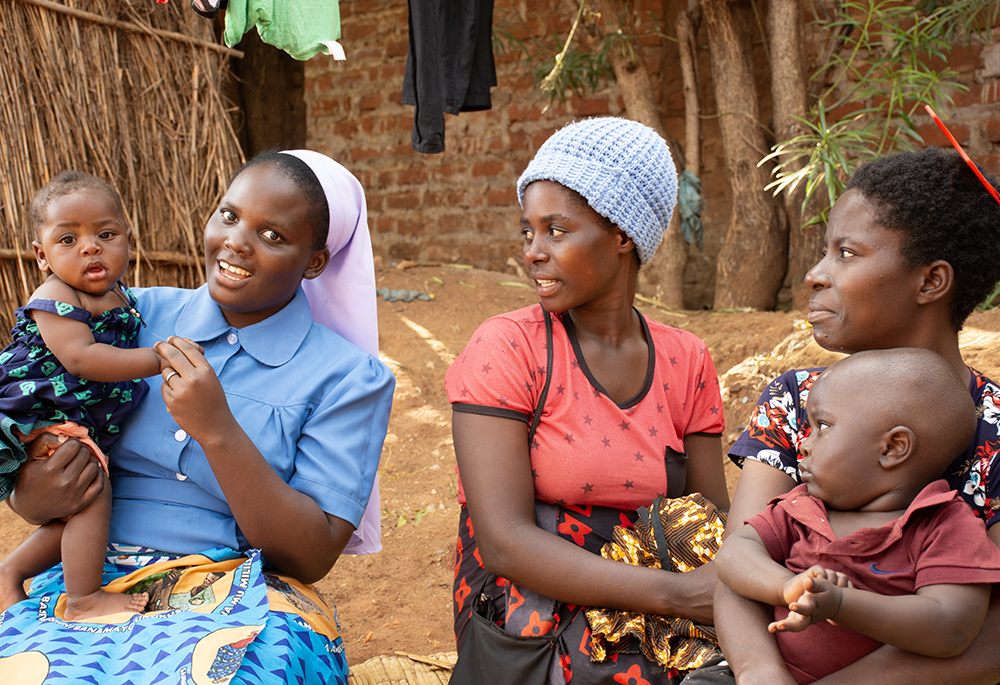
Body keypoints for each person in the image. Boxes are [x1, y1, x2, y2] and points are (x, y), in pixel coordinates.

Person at [0, 150, 395, 684]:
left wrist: (218, 430)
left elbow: (309, 557)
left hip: (244, 592)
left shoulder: (349, 378)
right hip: (85, 580)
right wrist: (33, 489)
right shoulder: (124, 318)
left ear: (315, 262)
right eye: (229, 216)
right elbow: (32, 442)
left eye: (273, 235)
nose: (236, 241)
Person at [446, 116, 731, 684]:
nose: (533, 251)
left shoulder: (686, 359)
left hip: (652, 589)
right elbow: (504, 543)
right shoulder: (511, 347)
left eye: (556, 230)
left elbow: (708, 516)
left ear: (622, 233)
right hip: (533, 600)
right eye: (528, 231)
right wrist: (677, 597)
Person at [707, 146, 1000, 685]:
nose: (816, 275)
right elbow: (740, 568)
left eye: (847, 253)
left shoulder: (997, 432)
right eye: (824, 252)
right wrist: (757, 674)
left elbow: (988, 638)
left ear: (931, 282)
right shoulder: (797, 401)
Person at [715, 348, 1000, 684]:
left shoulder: (945, 527)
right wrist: (785, 587)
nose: (804, 445)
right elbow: (734, 554)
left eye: (822, 426)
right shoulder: (801, 507)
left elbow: (951, 627)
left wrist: (840, 605)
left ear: (893, 448)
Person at [0, 171, 163, 620]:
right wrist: (159, 359)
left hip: (72, 417)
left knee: (81, 501)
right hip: (38, 412)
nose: (90, 247)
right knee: (94, 494)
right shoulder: (55, 294)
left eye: (105, 234)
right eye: (68, 239)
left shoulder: (122, 296)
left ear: (128, 240)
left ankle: (8, 572)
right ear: (42, 256)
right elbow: (82, 359)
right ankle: (85, 599)